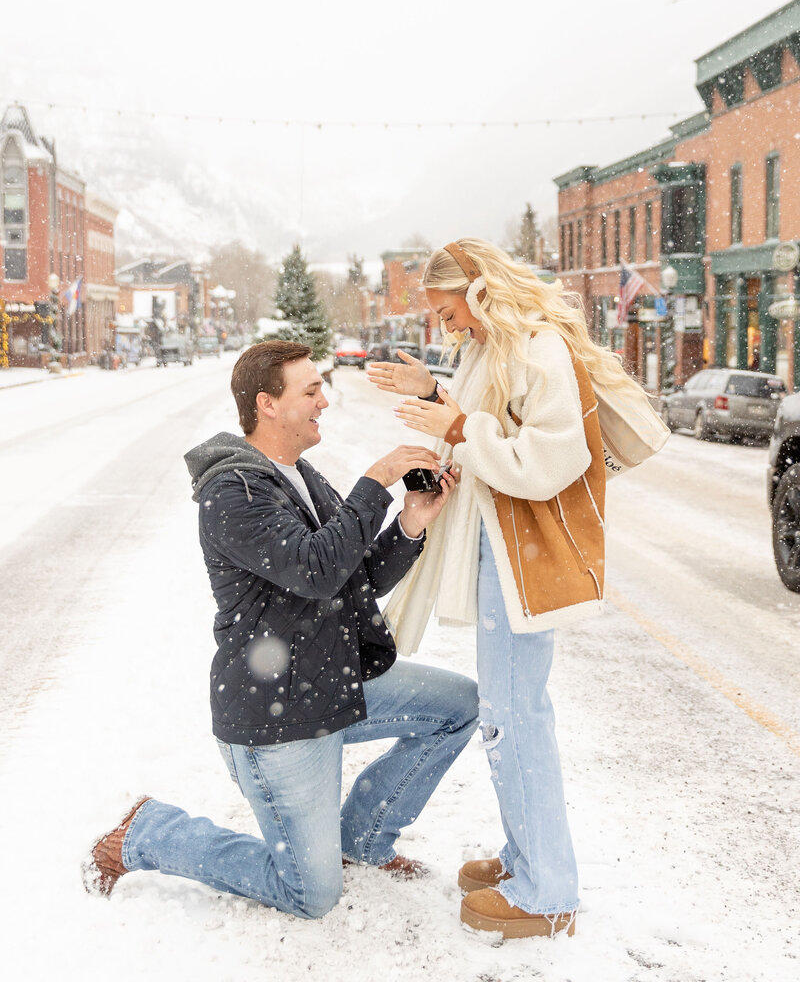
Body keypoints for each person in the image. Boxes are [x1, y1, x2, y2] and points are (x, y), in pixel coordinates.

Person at [82, 340, 478, 920]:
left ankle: (362, 840)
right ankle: (150, 832)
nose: (326, 400)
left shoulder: (296, 474)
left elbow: (350, 570)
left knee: (460, 705)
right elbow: (315, 570)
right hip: (279, 715)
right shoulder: (232, 492)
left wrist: (411, 523)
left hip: (332, 684)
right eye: (311, 390)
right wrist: (377, 478)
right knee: (309, 894)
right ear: (267, 404)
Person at [367, 239, 644, 939]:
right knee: (506, 711)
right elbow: (488, 423)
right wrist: (435, 397)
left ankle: (547, 890)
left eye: (446, 309)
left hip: (524, 557)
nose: (444, 326)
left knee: (515, 715)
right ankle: (528, 858)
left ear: (480, 290)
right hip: (503, 551)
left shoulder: (536, 347)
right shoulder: (497, 345)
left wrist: (456, 424)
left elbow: (552, 457)